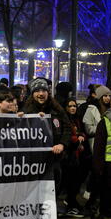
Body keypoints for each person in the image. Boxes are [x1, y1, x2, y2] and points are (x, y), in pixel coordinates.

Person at [21, 78, 71, 207]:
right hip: (34, 160)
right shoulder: (27, 111)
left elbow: (67, 128)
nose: (41, 94)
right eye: (37, 91)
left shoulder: (57, 109)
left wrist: (62, 144)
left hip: (54, 158)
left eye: (44, 90)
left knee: (54, 188)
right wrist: (22, 119)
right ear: (32, 94)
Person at [61, 98, 88, 218]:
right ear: (66, 107)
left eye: (74, 106)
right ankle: (71, 205)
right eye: (70, 106)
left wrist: (81, 135)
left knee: (76, 181)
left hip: (76, 155)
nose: (73, 108)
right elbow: (65, 134)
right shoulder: (64, 119)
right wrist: (76, 138)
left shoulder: (77, 119)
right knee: (70, 182)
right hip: (67, 156)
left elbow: (82, 131)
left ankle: (72, 203)